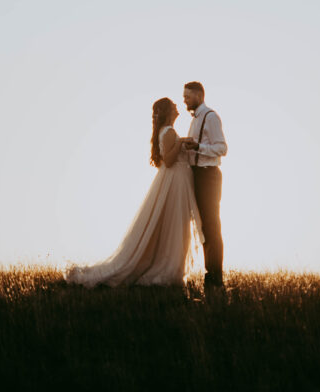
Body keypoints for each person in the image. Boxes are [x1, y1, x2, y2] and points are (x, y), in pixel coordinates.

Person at [65, 98, 203, 287]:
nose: (177, 109)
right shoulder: (169, 131)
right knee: (175, 225)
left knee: (172, 224)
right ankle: (170, 268)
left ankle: (172, 265)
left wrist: (181, 143)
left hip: (174, 181)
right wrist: (181, 143)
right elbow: (169, 161)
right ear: (168, 112)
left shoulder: (166, 131)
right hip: (175, 181)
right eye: (174, 107)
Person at [183, 81, 228, 289]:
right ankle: (211, 275)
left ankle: (215, 278)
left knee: (211, 225)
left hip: (208, 176)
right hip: (197, 175)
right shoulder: (195, 119)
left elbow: (222, 148)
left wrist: (198, 146)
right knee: (203, 226)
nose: (184, 100)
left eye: (188, 96)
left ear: (199, 96)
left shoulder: (210, 117)